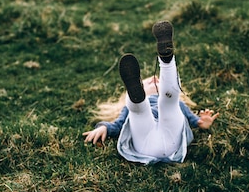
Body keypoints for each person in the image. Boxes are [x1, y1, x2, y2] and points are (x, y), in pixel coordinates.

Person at [83, 20, 219, 164]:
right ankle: (142, 93)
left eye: (158, 81)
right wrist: (103, 126)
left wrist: (202, 122)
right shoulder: (127, 109)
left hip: (152, 143)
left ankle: (166, 59)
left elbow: (194, 120)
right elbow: (117, 125)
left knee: (169, 103)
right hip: (155, 141)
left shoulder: (180, 104)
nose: (154, 79)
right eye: (149, 81)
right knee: (143, 110)